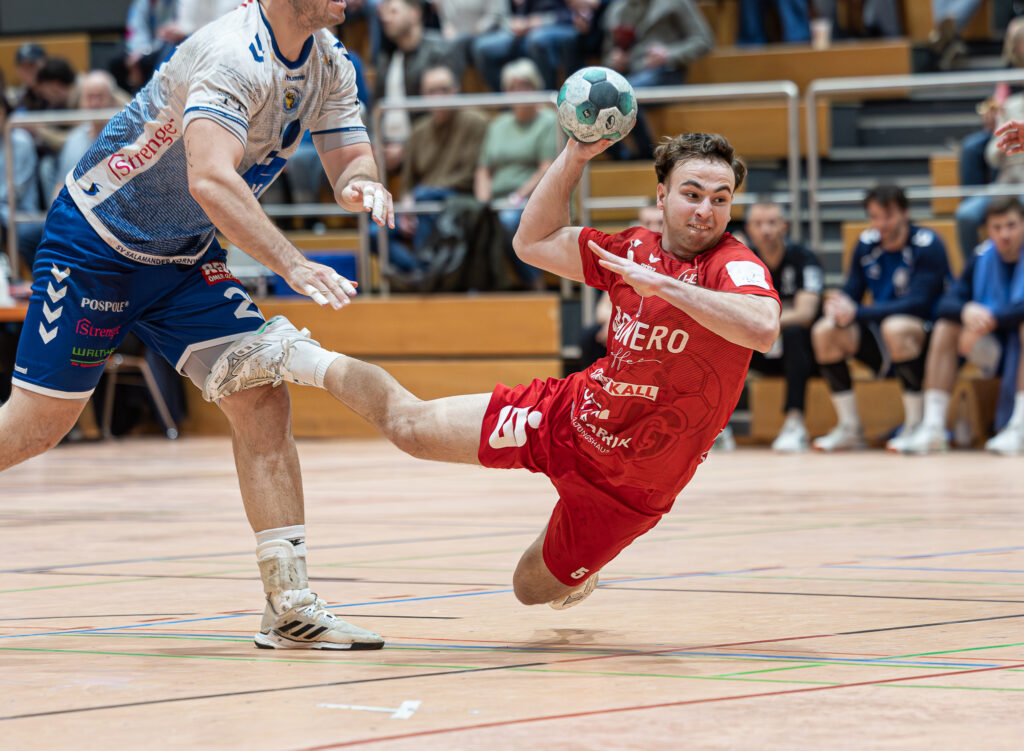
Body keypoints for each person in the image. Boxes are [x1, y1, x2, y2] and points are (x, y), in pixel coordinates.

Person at [201, 131, 781, 610]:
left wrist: (668, 289)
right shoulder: (631, 250)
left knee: (529, 589)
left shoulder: (733, 265)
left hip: (631, 488)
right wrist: (574, 155)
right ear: (662, 195)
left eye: (720, 198)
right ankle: (298, 354)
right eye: (692, 193)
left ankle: (581, 558)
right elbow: (533, 241)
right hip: (569, 417)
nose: (705, 210)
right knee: (411, 429)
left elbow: (761, 327)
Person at [1, 0, 395, 651]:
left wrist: (361, 185)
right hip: (97, 245)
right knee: (36, 426)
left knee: (261, 399)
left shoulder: (331, 62)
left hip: (183, 258)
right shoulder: (232, 53)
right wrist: (293, 263)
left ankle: (289, 605)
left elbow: (349, 158)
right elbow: (210, 179)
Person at [811, 184, 950, 452]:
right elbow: (853, 289)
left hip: (927, 337)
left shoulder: (927, 243)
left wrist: (857, 311)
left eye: (888, 216)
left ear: (905, 213)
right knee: (824, 330)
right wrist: (838, 305)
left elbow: (918, 303)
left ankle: (915, 425)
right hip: (881, 332)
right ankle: (850, 428)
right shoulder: (867, 243)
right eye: (875, 217)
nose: (881, 224)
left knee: (896, 327)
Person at [897, 196, 1024, 455]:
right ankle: (933, 427)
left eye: (1011, 225)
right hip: (995, 346)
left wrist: (989, 319)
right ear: (987, 230)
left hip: (1013, 340)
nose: (1004, 234)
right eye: (997, 227)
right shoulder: (981, 257)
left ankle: (1020, 427)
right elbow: (948, 302)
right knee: (946, 326)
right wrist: (967, 311)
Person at [379, 59, 488, 272]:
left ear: (456, 90)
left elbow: (470, 175)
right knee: (376, 233)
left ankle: (425, 272)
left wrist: (420, 195)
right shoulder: (418, 130)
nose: (438, 96)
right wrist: (407, 205)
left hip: (459, 201)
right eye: (431, 91)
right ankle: (422, 272)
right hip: (422, 202)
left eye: (444, 89)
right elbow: (408, 180)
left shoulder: (476, 122)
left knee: (424, 196)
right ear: (423, 95)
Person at [744, 199, 824, 452]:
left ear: (785, 226)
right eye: (758, 223)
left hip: (806, 355)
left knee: (794, 334)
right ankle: (714, 426)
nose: (765, 230)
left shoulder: (804, 258)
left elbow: (805, 313)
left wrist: (760, 319)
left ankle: (795, 423)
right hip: (762, 349)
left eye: (772, 222)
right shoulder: (743, 262)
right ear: (749, 228)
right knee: (721, 338)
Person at [475, 58, 558, 289]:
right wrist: (483, 203)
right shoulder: (498, 124)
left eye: (524, 86)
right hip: (496, 200)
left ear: (535, 88)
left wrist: (516, 197)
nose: (518, 92)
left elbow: (546, 169)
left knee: (508, 220)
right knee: (473, 219)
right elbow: (483, 169)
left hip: (532, 199)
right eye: (513, 87)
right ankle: (477, 288)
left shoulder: (549, 121)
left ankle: (535, 283)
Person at [602, 0, 714, 159]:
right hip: (630, 75)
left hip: (666, 72)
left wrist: (669, 54)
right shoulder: (617, 7)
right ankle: (625, 156)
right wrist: (614, 60)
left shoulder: (676, 3)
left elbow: (703, 40)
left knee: (624, 95)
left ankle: (646, 155)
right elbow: (608, 53)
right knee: (603, 97)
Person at [375, 0, 456, 172]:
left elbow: (440, 108)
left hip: (426, 146)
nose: (386, 18)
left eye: (394, 11)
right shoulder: (386, 58)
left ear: (414, 13)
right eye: (385, 13)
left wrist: (407, 146)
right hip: (385, 147)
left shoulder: (438, 51)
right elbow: (375, 107)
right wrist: (375, 144)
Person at [578, 203, 662, 368]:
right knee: (590, 338)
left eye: (659, 223)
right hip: (628, 323)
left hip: (658, 328)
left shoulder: (676, 259)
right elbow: (602, 310)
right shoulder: (628, 257)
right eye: (647, 223)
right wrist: (614, 324)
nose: (653, 228)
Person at [471, 0, 579, 93]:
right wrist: (514, 22)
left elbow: (573, 12)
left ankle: (548, 99)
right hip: (522, 29)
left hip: (559, 24)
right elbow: (507, 14)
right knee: (483, 48)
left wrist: (541, 21)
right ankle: (507, 104)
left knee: (537, 40)